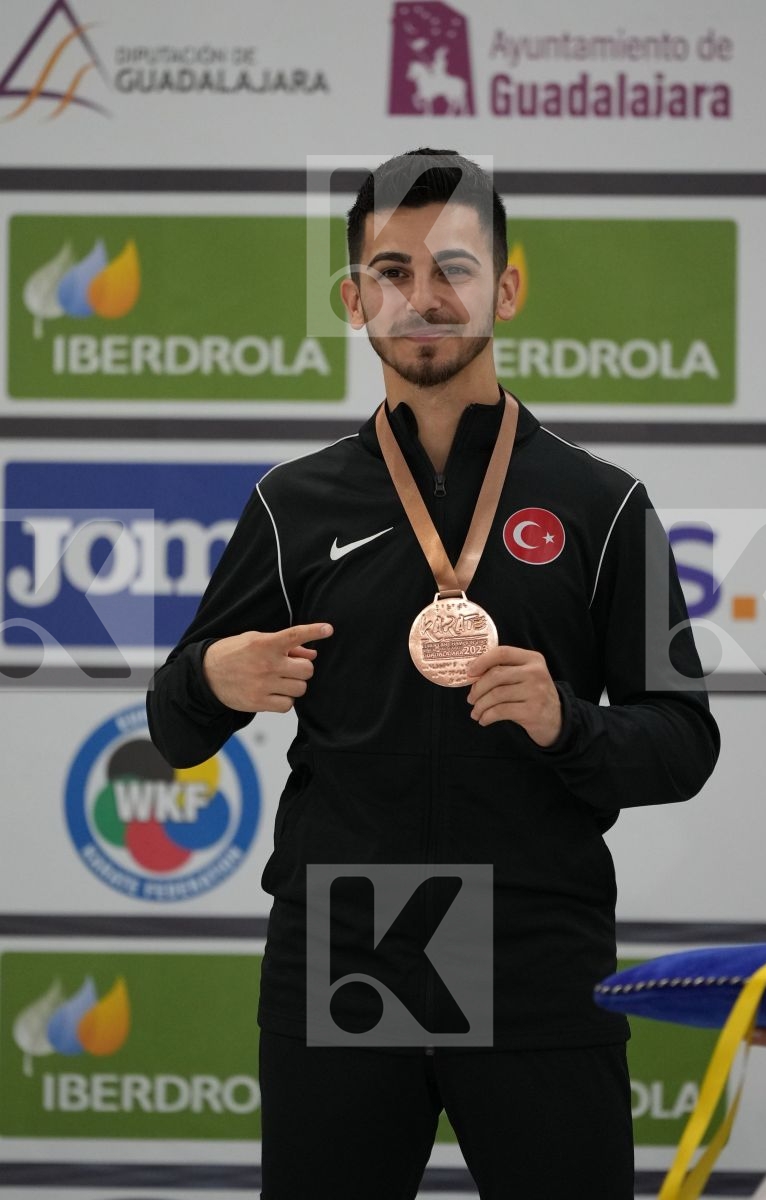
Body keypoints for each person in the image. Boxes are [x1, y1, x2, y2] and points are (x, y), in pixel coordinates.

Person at [147, 149, 720, 1200]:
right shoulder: (292, 506)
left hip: (530, 943)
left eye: (453, 268)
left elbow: (684, 742)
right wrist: (210, 678)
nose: (423, 296)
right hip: (348, 941)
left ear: (507, 288)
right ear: (352, 298)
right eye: (393, 271)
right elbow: (174, 730)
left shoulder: (603, 506)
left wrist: (568, 724)